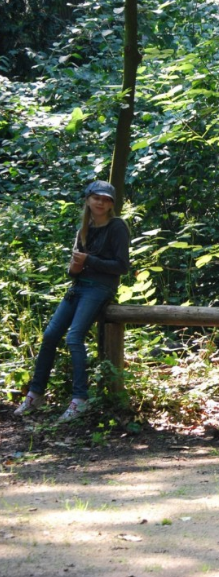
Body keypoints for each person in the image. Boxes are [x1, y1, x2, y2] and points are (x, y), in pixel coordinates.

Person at [15, 181, 130, 423]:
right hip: (78, 288)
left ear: (111, 204)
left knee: (74, 337)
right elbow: (74, 272)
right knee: (49, 336)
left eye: (106, 199)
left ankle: (80, 399)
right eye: (96, 198)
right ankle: (36, 394)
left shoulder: (117, 226)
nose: (100, 202)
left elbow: (122, 267)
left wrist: (88, 260)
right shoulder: (84, 230)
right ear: (88, 200)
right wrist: (76, 266)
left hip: (100, 288)